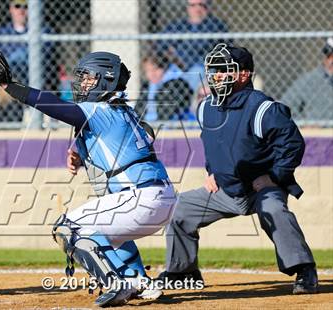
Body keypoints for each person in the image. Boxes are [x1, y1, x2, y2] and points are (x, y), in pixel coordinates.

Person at [0, 43, 176, 307]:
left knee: (67, 227)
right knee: (105, 231)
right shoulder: (123, 110)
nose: (82, 83)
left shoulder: (100, 109)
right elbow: (144, 133)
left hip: (142, 198)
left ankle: (118, 282)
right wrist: (81, 151)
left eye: (89, 78)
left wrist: (9, 86)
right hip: (161, 198)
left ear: (106, 80)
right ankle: (138, 279)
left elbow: (52, 105)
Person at [158, 43, 319, 295]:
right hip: (225, 188)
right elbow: (212, 143)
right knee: (180, 208)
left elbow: (292, 143)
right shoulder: (205, 107)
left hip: (260, 188)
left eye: (224, 70)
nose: (216, 76)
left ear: (244, 74)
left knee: (274, 210)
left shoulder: (262, 107)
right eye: (214, 70)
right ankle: (183, 271)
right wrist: (212, 171)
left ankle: (304, 270)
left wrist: (275, 176)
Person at [159, 0, 229, 84]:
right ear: (187, 7)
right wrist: (175, 59)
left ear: (209, 7)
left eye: (201, 5)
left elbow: (220, 49)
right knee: (158, 75)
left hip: (202, 67)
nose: (197, 9)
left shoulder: (216, 25)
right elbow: (161, 46)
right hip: (177, 66)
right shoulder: (178, 25)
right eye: (193, 5)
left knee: (197, 72)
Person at [0, 0, 58, 89]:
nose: (21, 10)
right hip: (7, 79)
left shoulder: (44, 31)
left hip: (32, 80)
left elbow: (41, 57)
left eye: (26, 6)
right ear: (11, 9)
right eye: (17, 6)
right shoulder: (0, 33)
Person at [281, 37, 333, 124]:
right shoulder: (309, 80)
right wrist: (304, 124)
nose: (331, 60)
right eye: (328, 55)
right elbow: (283, 108)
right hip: (319, 135)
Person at [135, 51, 194, 121]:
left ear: (165, 67)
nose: (152, 74)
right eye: (148, 70)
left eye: (155, 69)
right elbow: (137, 111)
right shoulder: (147, 86)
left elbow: (166, 114)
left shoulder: (176, 84)